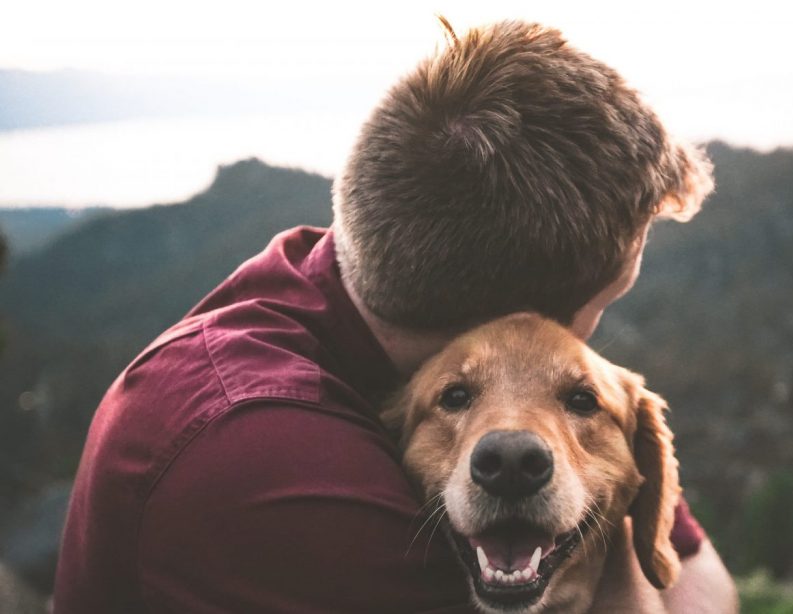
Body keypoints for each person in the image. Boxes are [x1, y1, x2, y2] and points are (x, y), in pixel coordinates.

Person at [54, 19, 737, 613]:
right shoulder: (263, 463)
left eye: (575, 388)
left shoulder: (347, 276)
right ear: (517, 324)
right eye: (603, 305)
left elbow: (699, 573)